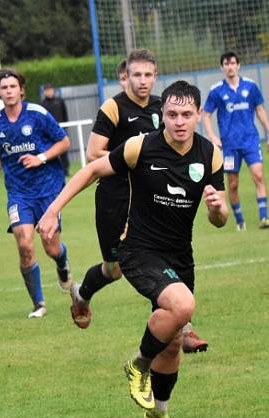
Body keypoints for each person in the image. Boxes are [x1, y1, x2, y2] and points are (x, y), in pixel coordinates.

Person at [39, 80, 228, 418]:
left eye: (187, 114)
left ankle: (159, 415)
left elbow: (220, 221)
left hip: (179, 254)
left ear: (199, 116)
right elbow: (91, 170)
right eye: (172, 114)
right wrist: (52, 211)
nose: (179, 121)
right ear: (163, 115)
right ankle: (138, 365)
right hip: (139, 249)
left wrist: (218, 210)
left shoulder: (210, 155)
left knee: (171, 338)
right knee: (183, 306)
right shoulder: (141, 147)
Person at [73, 49, 208, 354]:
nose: (143, 81)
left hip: (148, 199)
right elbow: (94, 153)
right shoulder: (113, 107)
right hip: (115, 197)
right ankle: (82, 294)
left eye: (148, 75)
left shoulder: (165, 106)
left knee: (158, 252)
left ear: (155, 76)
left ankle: (182, 327)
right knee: (114, 268)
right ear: (126, 77)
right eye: (137, 75)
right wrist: (134, 158)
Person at [0, 67, 73, 318]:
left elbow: (64, 142)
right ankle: (39, 304)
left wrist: (41, 157)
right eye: (4, 88)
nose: (9, 91)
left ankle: (62, 262)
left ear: (21, 90)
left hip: (48, 190)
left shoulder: (37, 114)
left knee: (50, 247)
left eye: (13, 86)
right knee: (24, 244)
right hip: (18, 194)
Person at [202, 51, 269, 231]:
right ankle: (240, 220)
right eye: (226, 64)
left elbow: (260, 110)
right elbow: (205, 115)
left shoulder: (250, 86)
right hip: (229, 146)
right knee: (233, 183)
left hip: (250, 141)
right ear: (222, 68)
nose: (230, 67)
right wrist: (212, 136)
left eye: (233, 63)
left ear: (238, 65)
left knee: (258, 176)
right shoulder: (216, 90)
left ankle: (264, 217)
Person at [40, 83, 71, 176]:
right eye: (47, 90)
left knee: (64, 151)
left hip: (61, 130)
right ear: (44, 92)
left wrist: (66, 127)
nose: (49, 92)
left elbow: (65, 114)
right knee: (50, 151)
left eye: (50, 90)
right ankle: (52, 172)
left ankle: (65, 171)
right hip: (48, 132)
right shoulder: (42, 104)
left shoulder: (60, 101)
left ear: (53, 90)